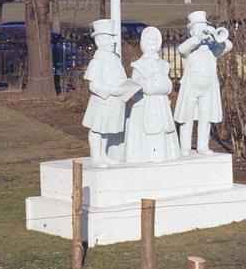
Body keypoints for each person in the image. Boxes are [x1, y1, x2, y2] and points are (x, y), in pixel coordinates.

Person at [173, 11, 233, 156]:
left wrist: (215, 37)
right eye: (199, 27)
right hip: (191, 88)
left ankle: (202, 145)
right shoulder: (190, 49)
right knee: (187, 118)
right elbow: (181, 49)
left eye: (204, 27)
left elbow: (228, 46)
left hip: (208, 90)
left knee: (205, 118)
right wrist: (198, 38)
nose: (202, 30)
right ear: (192, 31)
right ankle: (185, 147)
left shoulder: (213, 50)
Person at [124, 26, 180, 163]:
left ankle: (165, 153)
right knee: (146, 131)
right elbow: (135, 84)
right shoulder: (138, 65)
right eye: (148, 41)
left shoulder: (164, 65)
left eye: (155, 41)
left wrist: (164, 86)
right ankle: (144, 155)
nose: (152, 45)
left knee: (163, 129)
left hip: (161, 104)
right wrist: (147, 85)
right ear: (143, 43)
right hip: (145, 104)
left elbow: (167, 84)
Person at [82, 19, 129, 168]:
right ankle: (96, 157)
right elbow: (93, 85)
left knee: (106, 129)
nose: (112, 42)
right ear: (100, 40)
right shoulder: (97, 61)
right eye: (109, 38)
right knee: (97, 129)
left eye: (112, 38)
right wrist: (112, 90)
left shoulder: (115, 59)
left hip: (115, 101)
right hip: (102, 101)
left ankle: (103, 154)